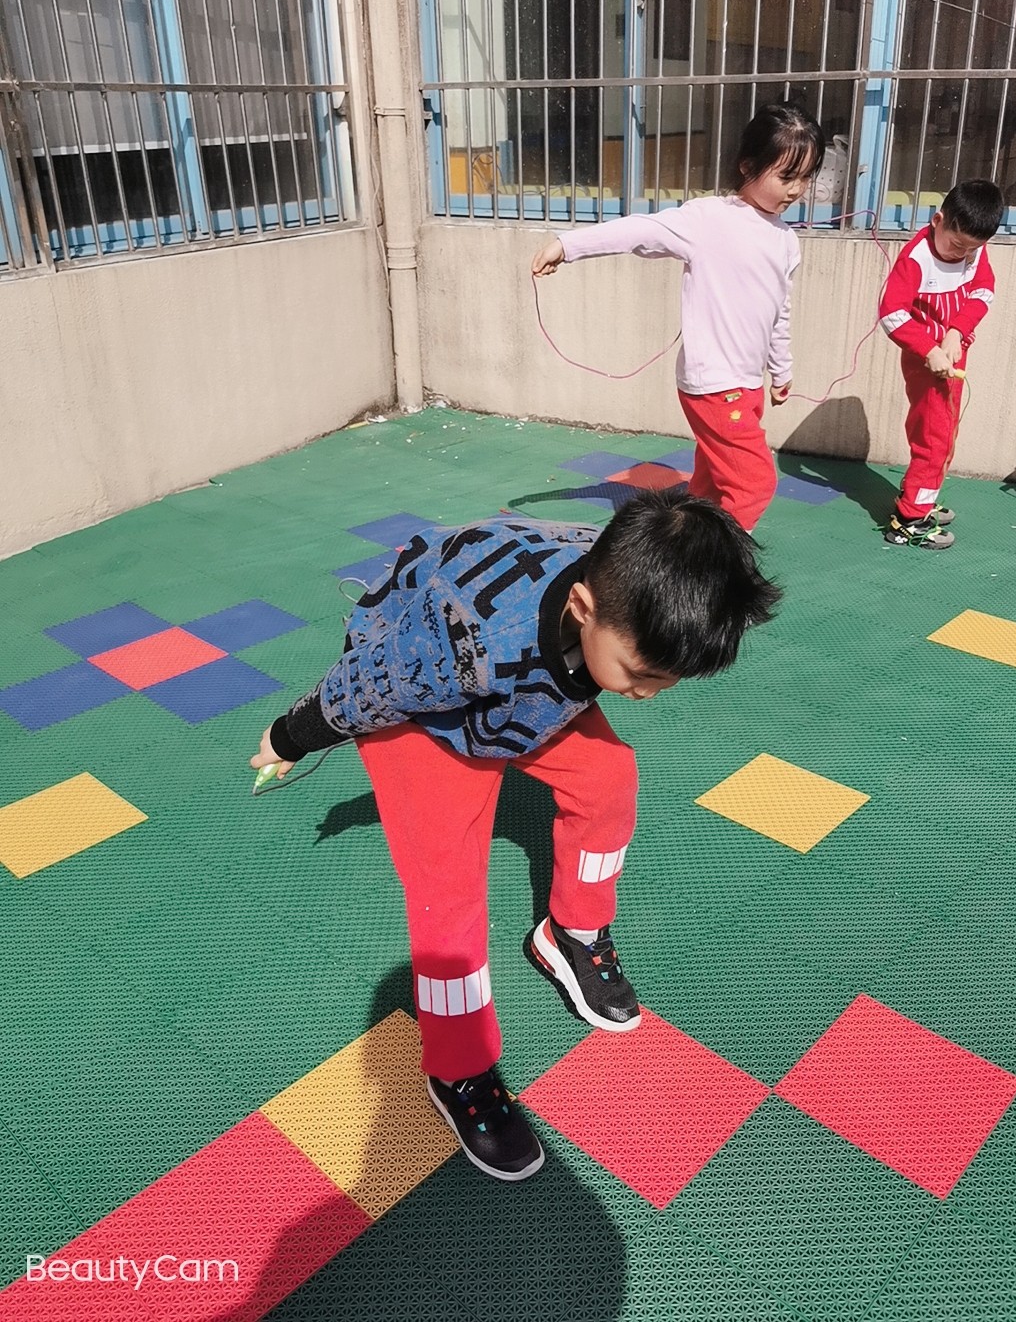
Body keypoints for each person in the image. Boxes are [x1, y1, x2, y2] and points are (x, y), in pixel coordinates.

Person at [250, 490, 780, 1182]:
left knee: (608, 778)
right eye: (641, 674)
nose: (651, 692)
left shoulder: (615, 575)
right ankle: (459, 1069)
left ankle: (572, 933)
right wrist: (290, 736)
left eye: (670, 678)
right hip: (423, 713)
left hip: (526, 692)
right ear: (584, 607)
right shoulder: (462, 641)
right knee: (448, 891)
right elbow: (368, 685)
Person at [531, 102, 826, 533]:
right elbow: (639, 229)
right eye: (786, 176)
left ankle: (683, 545)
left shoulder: (785, 241)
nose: (796, 190)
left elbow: (779, 310)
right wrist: (567, 245)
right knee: (754, 483)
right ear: (748, 166)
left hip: (747, 384)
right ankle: (719, 562)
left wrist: (781, 370)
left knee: (710, 483)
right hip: (714, 385)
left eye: (806, 177)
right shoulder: (709, 219)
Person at [879, 179, 1004, 549]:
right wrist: (929, 349)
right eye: (956, 244)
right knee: (935, 437)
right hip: (927, 362)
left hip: (952, 352)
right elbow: (891, 314)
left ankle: (918, 495)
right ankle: (910, 519)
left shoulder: (974, 248)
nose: (962, 254)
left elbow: (983, 291)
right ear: (938, 221)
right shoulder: (916, 259)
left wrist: (956, 332)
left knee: (944, 432)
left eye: (972, 248)